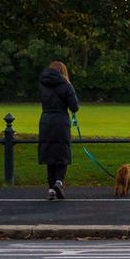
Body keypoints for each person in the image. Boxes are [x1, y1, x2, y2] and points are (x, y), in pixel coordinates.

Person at [38, 60, 80, 199]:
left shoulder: (43, 83)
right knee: (62, 152)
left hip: (46, 120)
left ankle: (51, 188)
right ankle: (59, 181)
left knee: (49, 152)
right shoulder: (65, 85)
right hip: (61, 120)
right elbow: (74, 106)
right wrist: (70, 87)